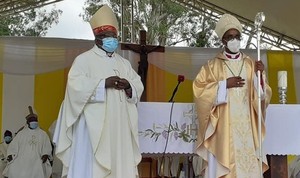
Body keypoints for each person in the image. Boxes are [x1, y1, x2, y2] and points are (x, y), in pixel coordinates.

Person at [53, 4, 144, 178]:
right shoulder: (83, 60)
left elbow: (137, 84)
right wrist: (103, 84)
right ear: (97, 38)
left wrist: (129, 86)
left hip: (120, 126)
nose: (113, 40)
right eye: (108, 37)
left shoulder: (123, 63)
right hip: (92, 128)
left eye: (115, 36)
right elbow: (74, 88)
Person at [193, 13, 272, 178]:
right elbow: (200, 92)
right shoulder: (212, 66)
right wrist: (223, 85)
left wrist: (260, 76)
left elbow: (263, 96)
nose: (234, 40)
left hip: (248, 127)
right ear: (223, 40)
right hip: (224, 128)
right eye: (230, 37)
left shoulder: (251, 64)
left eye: (237, 36)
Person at [4, 109, 52, 178]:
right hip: (22, 161)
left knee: (39, 169)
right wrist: (10, 154)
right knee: (14, 168)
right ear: (27, 122)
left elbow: (47, 146)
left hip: (38, 160)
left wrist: (45, 154)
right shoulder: (21, 134)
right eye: (31, 120)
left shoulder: (43, 134)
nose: (34, 121)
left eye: (35, 119)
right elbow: (13, 146)